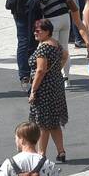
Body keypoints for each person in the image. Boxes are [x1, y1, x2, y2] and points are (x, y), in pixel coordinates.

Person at [27, 18, 68, 163]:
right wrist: (57, 70)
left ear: (47, 31)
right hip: (56, 85)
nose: (35, 33)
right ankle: (61, 151)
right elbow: (65, 56)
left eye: (39, 30)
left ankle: (41, 153)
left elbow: (40, 70)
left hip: (44, 88)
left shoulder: (43, 47)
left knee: (43, 123)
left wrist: (33, 90)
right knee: (54, 122)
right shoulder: (56, 44)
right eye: (35, 30)